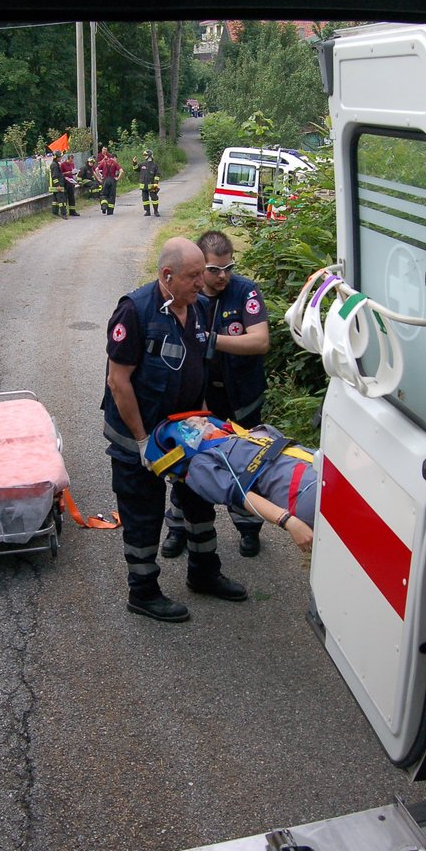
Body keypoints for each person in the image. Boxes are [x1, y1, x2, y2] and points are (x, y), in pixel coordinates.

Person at [103, 237, 248, 622]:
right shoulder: (135, 312)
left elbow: (195, 369)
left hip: (184, 431)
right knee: (143, 511)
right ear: (167, 275)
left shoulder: (198, 309)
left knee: (199, 499)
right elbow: (119, 382)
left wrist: (203, 419)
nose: (203, 283)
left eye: (204, 274)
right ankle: (143, 592)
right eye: (194, 275)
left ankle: (204, 572)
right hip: (140, 437)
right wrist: (142, 441)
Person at [162, 230, 270, 559]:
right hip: (201, 400)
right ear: (199, 268)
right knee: (190, 464)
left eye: (229, 267)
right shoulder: (187, 298)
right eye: (213, 270)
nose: (222, 276)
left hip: (241, 399)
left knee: (245, 463)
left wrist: (208, 338)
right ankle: (178, 527)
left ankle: (248, 527)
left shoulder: (245, 292)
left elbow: (259, 341)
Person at [151, 416, 317, 554]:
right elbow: (238, 494)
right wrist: (288, 521)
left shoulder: (249, 433)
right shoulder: (202, 462)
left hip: (322, 469)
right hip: (305, 492)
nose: (203, 419)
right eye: (193, 423)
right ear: (188, 437)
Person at [132, 148, 161, 216]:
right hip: (143, 186)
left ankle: (156, 211)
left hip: (152, 185)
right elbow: (135, 169)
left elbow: (157, 175)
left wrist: (155, 185)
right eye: (144, 155)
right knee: (145, 199)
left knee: (154, 198)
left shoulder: (154, 165)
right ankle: (147, 211)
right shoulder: (142, 164)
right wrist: (134, 162)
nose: (144, 156)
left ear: (150, 155)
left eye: (145, 155)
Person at [96, 149, 123, 215]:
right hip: (112, 180)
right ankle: (110, 211)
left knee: (103, 194)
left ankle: (104, 206)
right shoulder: (115, 163)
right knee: (111, 195)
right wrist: (118, 178)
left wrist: (100, 176)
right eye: (116, 158)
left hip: (105, 180)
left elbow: (96, 169)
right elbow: (121, 171)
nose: (116, 159)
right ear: (114, 158)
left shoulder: (104, 162)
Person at [48, 151, 66, 218]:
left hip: (54, 186)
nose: (61, 158)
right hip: (57, 186)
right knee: (61, 200)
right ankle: (63, 214)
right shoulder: (54, 165)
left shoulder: (55, 164)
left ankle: (55, 213)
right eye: (60, 156)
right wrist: (58, 185)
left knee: (55, 200)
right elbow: (54, 176)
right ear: (57, 157)